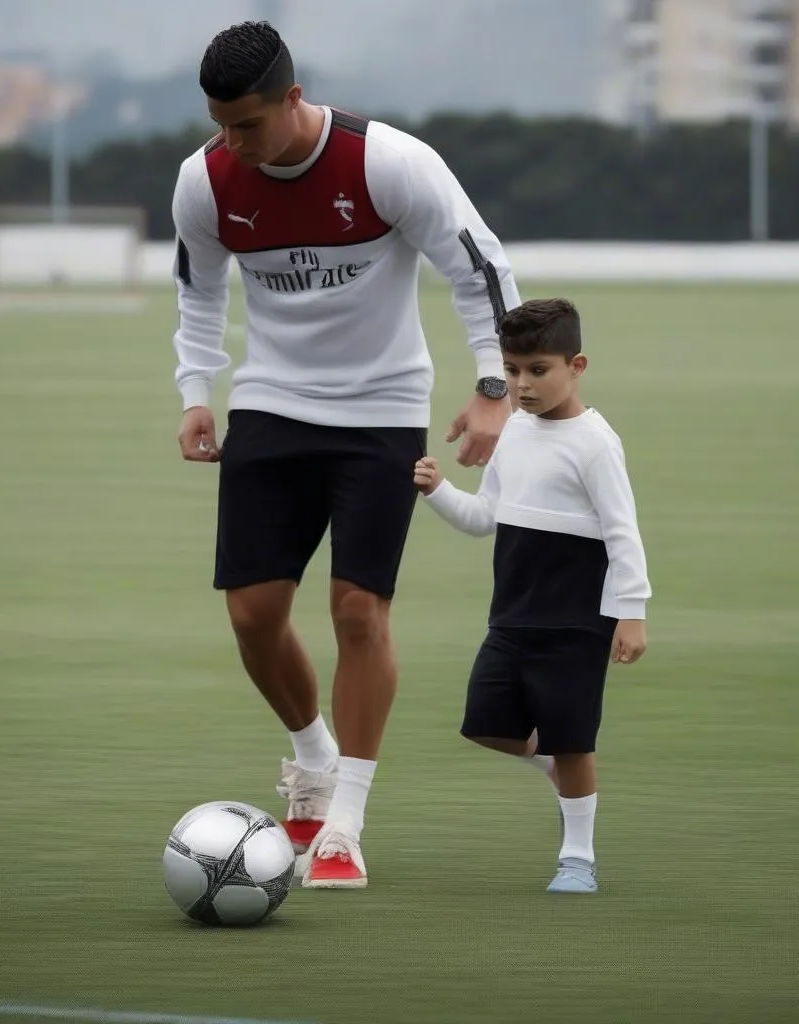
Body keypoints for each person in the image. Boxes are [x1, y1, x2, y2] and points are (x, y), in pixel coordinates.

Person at [170, 20, 519, 889]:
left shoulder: (389, 163)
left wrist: (492, 387)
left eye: (246, 124)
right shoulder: (205, 182)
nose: (231, 142)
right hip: (272, 407)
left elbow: (479, 268)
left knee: (359, 612)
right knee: (251, 616)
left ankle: (344, 824)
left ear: (294, 99)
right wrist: (194, 395)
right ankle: (311, 754)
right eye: (219, 124)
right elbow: (198, 290)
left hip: (381, 412)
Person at [413, 297, 651, 894]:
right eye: (513, 370)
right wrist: (438, 490)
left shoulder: (595, 443)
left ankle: (578, 857)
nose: (522, 385)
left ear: (577, 366)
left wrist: (632, 613)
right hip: (512, 616)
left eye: (538, 370)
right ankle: (560, 773)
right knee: (485, 723)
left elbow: (624, 532)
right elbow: (484, 516)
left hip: (577, 622)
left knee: (573, 738)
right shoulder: (514, 433)